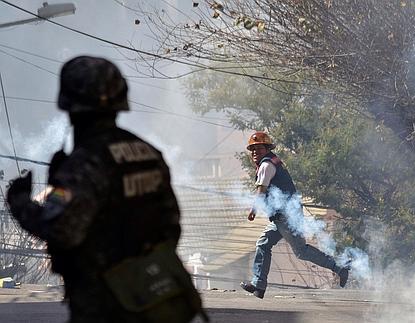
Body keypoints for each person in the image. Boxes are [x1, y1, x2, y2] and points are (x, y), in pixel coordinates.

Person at [5, 56, 207, 323]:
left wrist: (20, 202)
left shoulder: (85, 164)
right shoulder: (147, 153)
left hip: (105, 303)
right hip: (156, 294)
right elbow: (171, 224)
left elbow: (62, 232)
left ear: (69, 104)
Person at [240, 131, 349, 299]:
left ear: (267, 149)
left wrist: (253, 210)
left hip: (286, 217)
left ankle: (339, 268)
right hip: (282, 217)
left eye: (259, 149)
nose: (255, 152)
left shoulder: (266, 166)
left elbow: (261, 190)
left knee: (301, 251)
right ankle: (258, 286)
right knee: (263, 244)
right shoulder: (271, 162)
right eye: (253, 149)